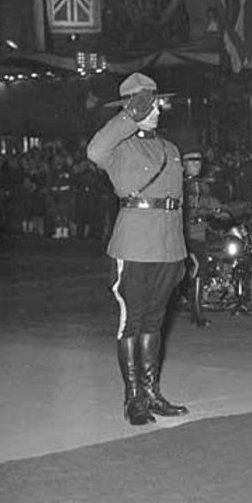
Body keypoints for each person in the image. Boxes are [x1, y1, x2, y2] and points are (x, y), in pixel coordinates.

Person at [87, 72, 190, 426]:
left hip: (167, 247)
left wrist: (181, 251)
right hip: (134, 245)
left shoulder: (170, 150)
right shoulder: (119, 148)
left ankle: (151, 393)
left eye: (157, 104)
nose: (157, 110)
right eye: (149, 105)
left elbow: (177, 204)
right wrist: (130, 115)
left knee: (154, 322)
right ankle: (133, 398)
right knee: (132, 323)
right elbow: (94, 150)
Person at [182, 146, 219, 329]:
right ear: (184, 164)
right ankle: (196, 314)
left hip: (199, 233)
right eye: (192, 161)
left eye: (199, 160)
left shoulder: (201, 184)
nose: (197, 164)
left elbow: (210, 204)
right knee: (197, 268)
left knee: (199, 269)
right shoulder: (181, 184)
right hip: (186, 234)